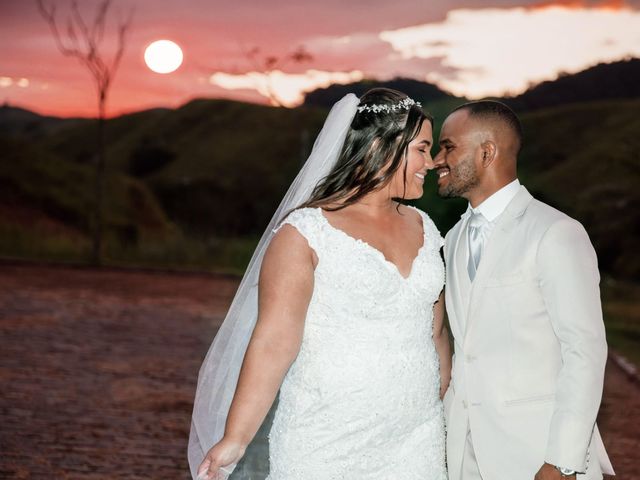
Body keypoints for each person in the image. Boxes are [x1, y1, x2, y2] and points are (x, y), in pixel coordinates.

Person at [189, 88, 451, 480]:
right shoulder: (305, 233)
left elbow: (435, 332)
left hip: (416, 439)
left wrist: (441, 405)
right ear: (381, 146)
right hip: (325, 437)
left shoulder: (426, 229)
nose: (430, 163)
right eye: (422, 149)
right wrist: (236, 437)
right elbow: (274, 341)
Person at [435, 100, 614, 480]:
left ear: (487, 152)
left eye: (448, 146)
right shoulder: (452, 239)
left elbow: (584, 349)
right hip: (464, 453)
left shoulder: (555, 232)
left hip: (536, 451)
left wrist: (562, 460)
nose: (437, 159)